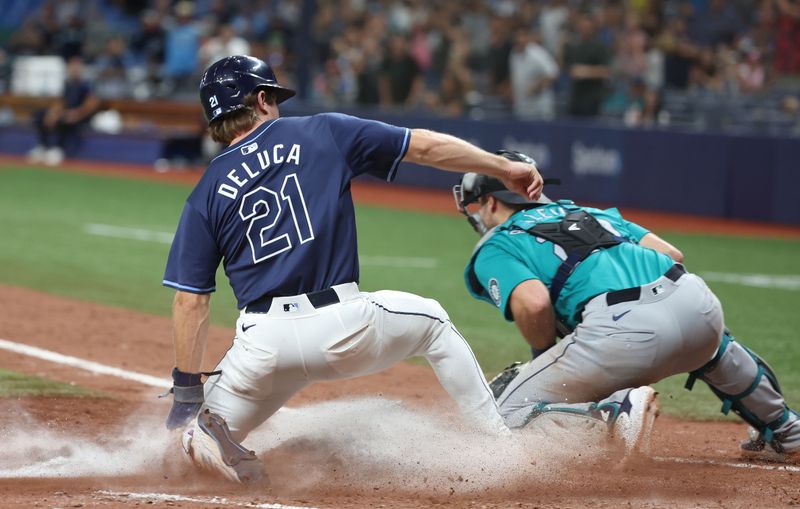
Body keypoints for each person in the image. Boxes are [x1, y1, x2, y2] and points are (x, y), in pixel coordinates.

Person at [161, 55, 544, 483]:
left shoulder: (206, 190)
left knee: (190, 434)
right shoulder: (321, 130)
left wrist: (186, 393)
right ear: (263, 98)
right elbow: (426, 146)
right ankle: (500, 447)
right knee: (433, 321)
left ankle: (205, 444)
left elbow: (189, 300)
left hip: (262, 347)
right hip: (343, 328)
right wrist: (502, 166)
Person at [454, 151, 800, 462]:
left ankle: (615, 411)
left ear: (491, 202)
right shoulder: (587, 212)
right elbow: (672, 255)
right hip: (695, 300)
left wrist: (544, 356)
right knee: (715, 348)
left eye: (477, 206)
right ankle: (787, 429)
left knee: (505, 413)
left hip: (623, 332)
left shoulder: (497, 244)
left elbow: (534, 303)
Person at [27, 56, 97, 166]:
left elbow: (90, 104)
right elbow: (61, 102)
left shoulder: (87, 85)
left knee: (63, 120)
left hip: (81, 117)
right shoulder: (67, 84)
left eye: (76, 67)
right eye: (72, 67)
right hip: (66, 113)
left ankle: (58, 149)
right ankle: (43, 146)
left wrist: (77, 114)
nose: (74, 69)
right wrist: (52, 113)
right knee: (41, 115)